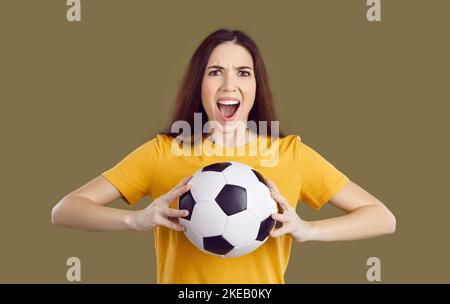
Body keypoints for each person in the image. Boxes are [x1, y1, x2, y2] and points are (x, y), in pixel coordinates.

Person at [51, 28, 396, 284]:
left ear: (255, 85)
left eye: (243, 73)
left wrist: (308, 230)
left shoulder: (289, 154)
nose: (229, 85)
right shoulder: (164, 152)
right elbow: (65, 210)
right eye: (215, 72)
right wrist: (135, 220)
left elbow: (382, 217)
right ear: (198, 84)